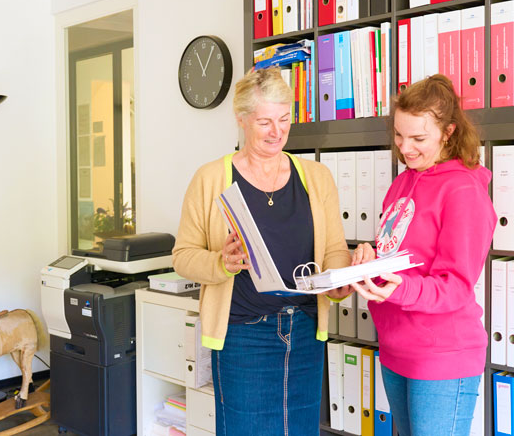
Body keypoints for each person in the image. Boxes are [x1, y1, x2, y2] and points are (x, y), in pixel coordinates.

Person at [172, 67, 352, 436]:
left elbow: (334, 247)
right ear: (241, 120)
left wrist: (339, 281)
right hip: (243, 335)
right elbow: (183, 255)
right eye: (265, 121)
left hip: (303, 329)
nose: (277, 132)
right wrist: (220, 263)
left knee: (300, 430)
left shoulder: (317, 177)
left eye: (284, 119)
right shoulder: (209, 179)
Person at [351, 74, 497, 436]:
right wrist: (370, 255)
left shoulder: (463, 191)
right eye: (399, 136)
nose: (406, 148)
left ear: (448, 132)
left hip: (443, 355)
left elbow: (456, 287)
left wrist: (399, 290)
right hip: (395, 347)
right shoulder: (403, 182)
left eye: (418, 138)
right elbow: (398, 250)